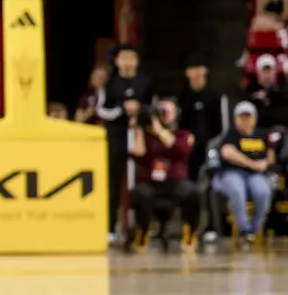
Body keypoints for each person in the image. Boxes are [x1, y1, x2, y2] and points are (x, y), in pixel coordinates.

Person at [95, 44, 154, 238]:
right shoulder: (110, 83)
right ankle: (110, 227)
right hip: (117, 137)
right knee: (113, 182)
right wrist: (122, 109)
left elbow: (155, 108)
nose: (128, 62)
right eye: (124, 58)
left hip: (140, 137)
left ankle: (141, 227)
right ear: (117, 61)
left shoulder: (146, 82)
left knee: (141, 183)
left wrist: (140, 109)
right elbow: (102, 110)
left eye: (132, 58)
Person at [128, 97, 200, 251]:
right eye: (160, 111)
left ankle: (190, 232)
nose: (162, 115)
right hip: (151, 183)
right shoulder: (148, 135)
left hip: (175, 183)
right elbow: (138, 154)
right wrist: (138, 129)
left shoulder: (184, 134)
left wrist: (160, 130)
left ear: (176, 114)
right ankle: (143, 230)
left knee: (193, 192)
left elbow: (180, 149)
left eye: (166, 111)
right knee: (138, 193)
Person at [215, 102, 275, 244]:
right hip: (232, 172)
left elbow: (271, 156)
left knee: (263, 191)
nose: (245, 120)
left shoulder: (262, 135)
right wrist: (252, 164)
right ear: (236, 119)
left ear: (254, 118)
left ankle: (253, 230)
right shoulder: (231, 134)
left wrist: (265, 163)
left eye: (248, 117)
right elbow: (227, 152)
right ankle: (243, 228)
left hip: (256, 174)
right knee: (237, 189)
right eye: (241, 117)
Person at [176, 57, 225, 157]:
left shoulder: (215, 95)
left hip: (211, 145)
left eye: (199, 68)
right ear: (187, 72)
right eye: (193, 69)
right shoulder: (182, 96)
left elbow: (221, 125)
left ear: (205, 70)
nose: (196, 72)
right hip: (187, 145)